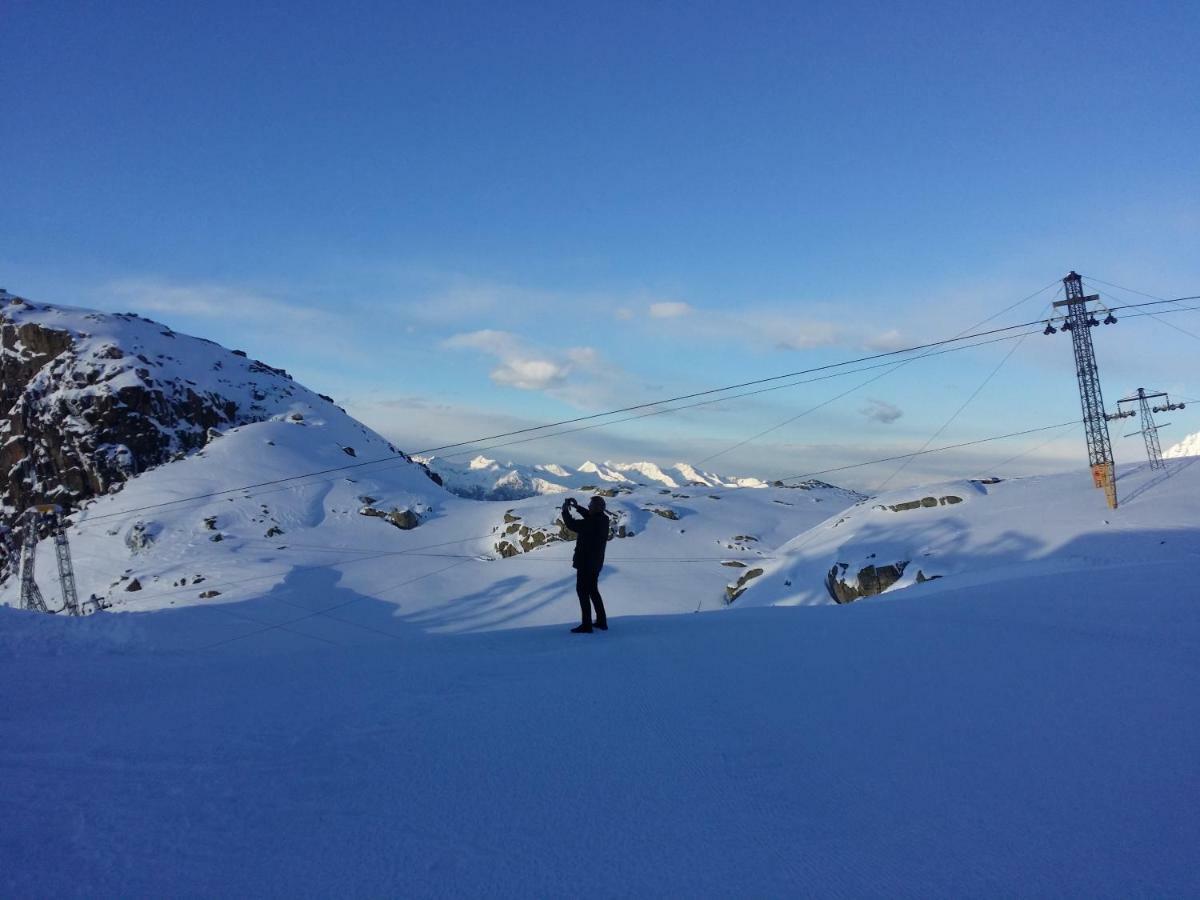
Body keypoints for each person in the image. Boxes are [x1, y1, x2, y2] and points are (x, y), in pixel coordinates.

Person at [560, 495, 610, 633]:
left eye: (591, 505)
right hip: (596, 563)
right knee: (593, 591)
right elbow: (590, 516)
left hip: (586, 563)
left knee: (582, 592)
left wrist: (565, 511)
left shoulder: (592, 523)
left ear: (596, 508)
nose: (588, 506)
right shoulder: (603, 519)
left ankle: (586, 625)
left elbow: (572, 525)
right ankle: (601, 621)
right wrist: (577, 507)